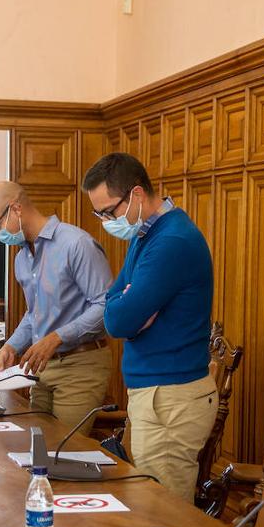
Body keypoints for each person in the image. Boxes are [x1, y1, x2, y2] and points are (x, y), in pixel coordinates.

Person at [81, 153, 215, 502]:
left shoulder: (171, 241)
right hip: (157, 394)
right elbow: (112, 307)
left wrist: (125, 306)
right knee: (148, 508)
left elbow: (121, 320)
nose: (106, 221)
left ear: (137, 195)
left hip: (171, 398)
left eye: (108, 211)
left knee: (161, 514)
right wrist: (123, 303)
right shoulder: (146, 234)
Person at [0, 181, 113, 431]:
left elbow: (106, 304)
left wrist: (57, 337)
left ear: (16, 209)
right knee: (37, 450)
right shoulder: (21, 258)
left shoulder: (76, 243)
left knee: (64, 454)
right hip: (41, 369)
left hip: (80, 365)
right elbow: (35, 314)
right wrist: (11, 346)